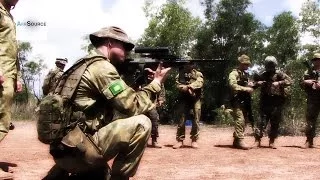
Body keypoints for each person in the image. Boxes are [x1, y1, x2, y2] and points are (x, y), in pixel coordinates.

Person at [42, 26, 171, 180]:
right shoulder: (102, 67)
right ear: (110, 43)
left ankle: (60, 174)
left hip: (62, 150)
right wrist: (156, 83)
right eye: (124, 46)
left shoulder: (80, 64)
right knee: (142, 123)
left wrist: (140, 79)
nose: (127, 51)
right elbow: (132, 105)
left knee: (102, 174)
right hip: (79, 152)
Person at [0, 0, 22, 178]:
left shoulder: (9, 15)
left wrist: (18, 77)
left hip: (9, 74)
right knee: (1, 121)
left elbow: (14, 50)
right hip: (1, 74)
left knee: (3, 120)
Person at [253, 56, 292, 149]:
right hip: (265, 100)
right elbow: (253, 84)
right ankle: (257, 140)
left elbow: (290, 81)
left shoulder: (280, 74)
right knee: (261, 121)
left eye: (271, 65)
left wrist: (279, 83)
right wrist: (258, 83)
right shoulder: (262, 74)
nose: (270, 68)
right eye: (268, 65)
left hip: (277, 101)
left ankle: (272, 141)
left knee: (275, 121)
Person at [172, 62, 203, 149]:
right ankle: (180, 140)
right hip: (184, 98)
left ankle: (194, 140)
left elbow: (200, 83)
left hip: (195, 98)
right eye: (186, 64)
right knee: (182, 119)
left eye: (190, 64)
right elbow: (177, 85)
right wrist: (185, 89)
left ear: (193, 65)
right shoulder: (180, 74)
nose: (188, 65)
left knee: (196, 118)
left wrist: (190, 86)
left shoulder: (198, 74)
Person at [228, 54, 255, 150]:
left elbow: (247, 85)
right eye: (245, 64)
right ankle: (240, 140)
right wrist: (246, 89)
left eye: (248, 64)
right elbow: (232, 85)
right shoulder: (233, 74)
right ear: (240, 63)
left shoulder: (246, 74)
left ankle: (236, 140)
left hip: (244, 101)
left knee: (245, 120)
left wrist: (251, 85)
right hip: (236, 100)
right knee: (240, 119)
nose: (247, 66)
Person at [301, 53, 320, 148]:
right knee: (310, 119)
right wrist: (306, 82)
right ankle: (309, 140)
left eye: (318, 59)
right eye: (315, 59)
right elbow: (301, 83)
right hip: (313, 98)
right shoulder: (308, 72)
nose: (317, 61)